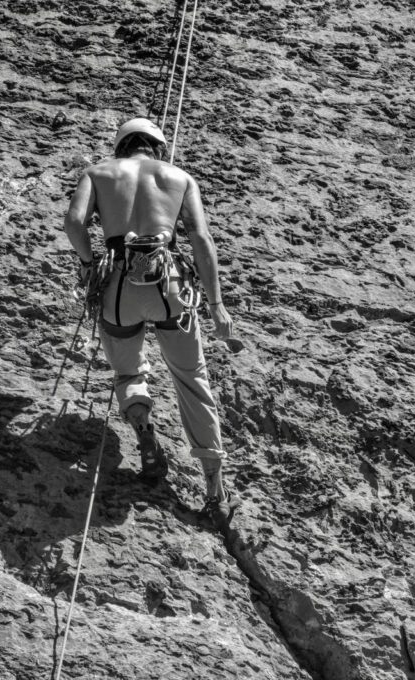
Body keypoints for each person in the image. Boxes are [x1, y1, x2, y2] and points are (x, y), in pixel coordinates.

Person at [63, 117, 237, 524]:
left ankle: (143, 427)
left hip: (118, 292)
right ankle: (215, 487)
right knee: (193, 379)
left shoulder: (98, 172)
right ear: (157, 147)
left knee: (127, 371)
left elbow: (74, 222)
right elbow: (200, 238)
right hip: (169, 287)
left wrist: (90, 265)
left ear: (122, 146)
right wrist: (217, 306)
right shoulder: (179, 176)